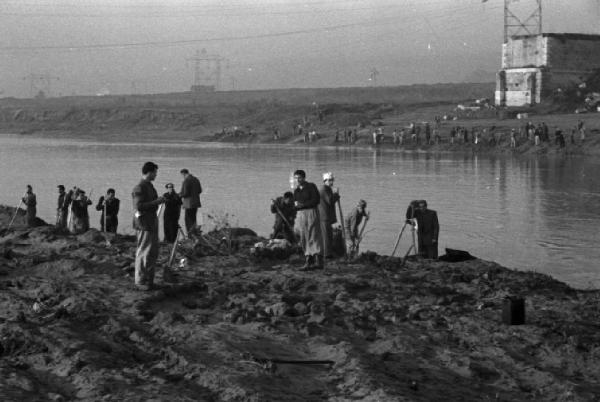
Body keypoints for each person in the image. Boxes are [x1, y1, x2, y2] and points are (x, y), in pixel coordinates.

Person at [132, 161, 166, 290]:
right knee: (143, 251)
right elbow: (138, 206)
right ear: (150, 172)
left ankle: (148, 280)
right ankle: (140, 281)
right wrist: (156, 202)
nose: (156, 175)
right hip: (144, 224)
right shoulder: (139, 187)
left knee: (152, 252)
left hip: (151, 222)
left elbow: (151, 202)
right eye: (155, 172)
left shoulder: (150, 186)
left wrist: (159, 200)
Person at [293, 169, 323, 270]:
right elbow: (295, 204)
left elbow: (316, 200)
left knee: (314, 235)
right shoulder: (296, 190)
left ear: (304, 178)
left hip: (311, 212)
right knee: (304, 236)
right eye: (296, 178)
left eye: (299, 178)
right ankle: (308, 261)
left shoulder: (311, 186)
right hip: (301, 215)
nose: (297, 180)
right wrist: (295, 206)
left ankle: (318, 261)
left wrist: (303, 205)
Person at [318, 172, 340, 258]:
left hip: (326, 216)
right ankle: (326, 254)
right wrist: (336, 194)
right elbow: (330, 201)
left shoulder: (327, 189)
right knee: (326, 235)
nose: (332, 182)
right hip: (324, 216)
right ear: (326, 180)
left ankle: (327, 252)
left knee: (328, 235)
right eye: (330, 180)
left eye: (332, 180)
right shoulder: (324, 189)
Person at [179, 168, 202, 235]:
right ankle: (194, 233)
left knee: (188, 220)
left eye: (182, 175)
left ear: (183, 174)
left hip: (189, 204)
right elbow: (200, 190)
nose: (182, 177)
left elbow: (185, 193)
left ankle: (190, 235)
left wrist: (178, 195)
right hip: (196, 203)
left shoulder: (186, 181)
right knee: (193, 219)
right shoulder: (196, 179)